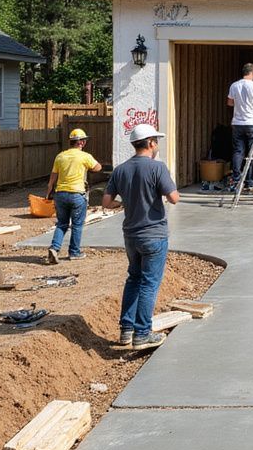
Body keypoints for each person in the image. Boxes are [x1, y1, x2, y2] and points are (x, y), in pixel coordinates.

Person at [102, 124, 180, 349]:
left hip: (131, 235)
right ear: (151, 143)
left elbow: (106, 202)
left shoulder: (121, 169)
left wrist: (123, 203)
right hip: (154, 234)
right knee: (149, 283)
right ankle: (142, 334)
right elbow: (174, 198)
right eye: (157, 141)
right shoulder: (157, 168)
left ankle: (126, 331)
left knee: (134, 278)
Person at [45, 128, 102, 264]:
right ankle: (74, 252)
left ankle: (54, 248)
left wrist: (49, 190)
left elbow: (53, 175)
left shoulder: (60, 156)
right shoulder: (85, 156)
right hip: (77, 194)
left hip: (60, 194)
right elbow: (98, 167)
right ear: (81, 142)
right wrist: (89, 167)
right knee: (77, 225)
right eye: (84, 141)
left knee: (62, 224)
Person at [227, 62, 253, 193]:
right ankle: (249, 182)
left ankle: (237, 180)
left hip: (237, 123)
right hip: (251, 124)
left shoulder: (234, 85)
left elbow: (230, 102)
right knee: (251, 155)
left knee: (238, 152)